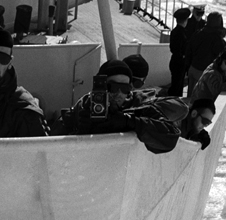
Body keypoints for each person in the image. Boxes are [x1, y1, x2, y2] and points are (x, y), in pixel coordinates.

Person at [53, 60, 186, 153]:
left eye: (125, 88)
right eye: (113, 86)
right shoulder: (84, 107)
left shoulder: (137, 107)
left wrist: (128, 122)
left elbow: (170, 137)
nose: (118, 93)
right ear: (101, 86)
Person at [185, 11, 226, 97]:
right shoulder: (219, 41)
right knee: (201, 103)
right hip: (205, 74)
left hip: (193, 69)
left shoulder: (198, 33)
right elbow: (223, 62)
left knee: (190, 99)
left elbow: (188, 51)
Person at [168, 6, 191, 96]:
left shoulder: (175, 31)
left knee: (176, 84)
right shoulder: (181, 34)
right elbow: (179, 49)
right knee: (177, 86)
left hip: (175, 61)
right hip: (179, 62)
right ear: (185, 20)